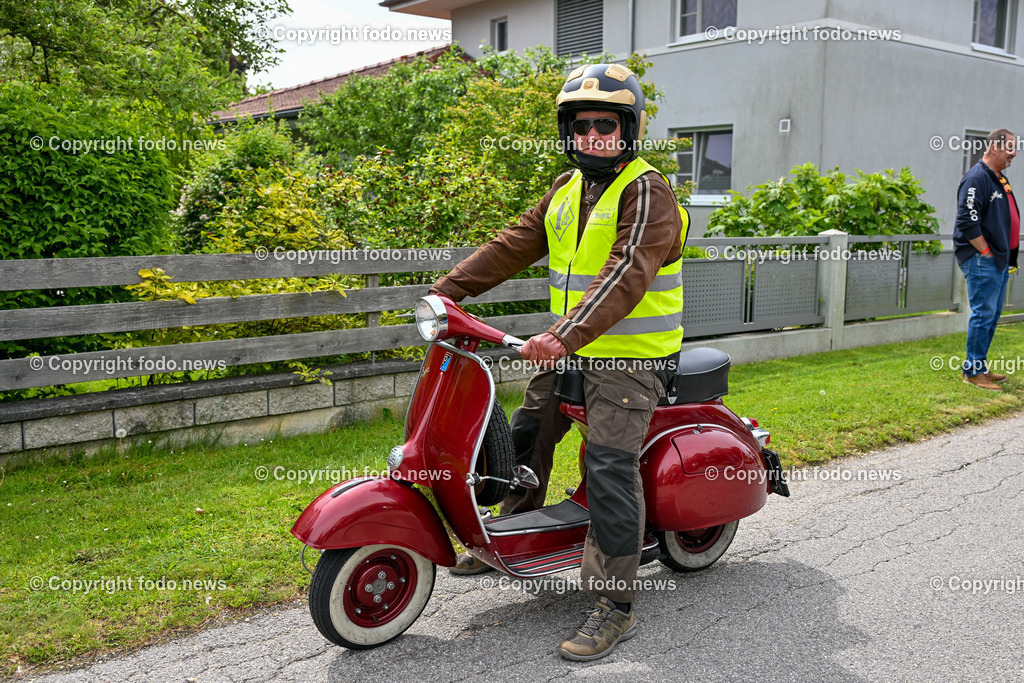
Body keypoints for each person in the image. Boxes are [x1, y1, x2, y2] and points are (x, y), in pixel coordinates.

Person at [430, 63, 686, 661]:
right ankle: (511, 538)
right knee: (526, 434)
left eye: (606, 124)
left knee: (608, 466)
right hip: (570, 346)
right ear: (567, 131)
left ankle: (614, 603)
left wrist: (565, 335)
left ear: (630, 129)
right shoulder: (568, 189)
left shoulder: (649, 190)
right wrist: (448, 292)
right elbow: (513, 242)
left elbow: (627, 272)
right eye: (581, 125)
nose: (593, 135)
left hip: (628, 357)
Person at [953, 128, 1019, 391]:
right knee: (983, 314)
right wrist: (985, 252)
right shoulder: (977, 178)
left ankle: (979, 366)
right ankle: (973, 372)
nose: (1014, 153)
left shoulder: (998, 177)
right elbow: (967, 221)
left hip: (999, 259)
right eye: (1009, 148)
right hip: (983, 258)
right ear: (993, 148)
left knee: (992, 315)